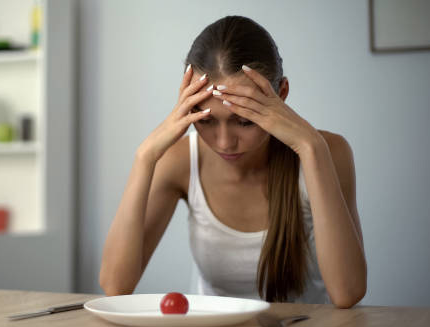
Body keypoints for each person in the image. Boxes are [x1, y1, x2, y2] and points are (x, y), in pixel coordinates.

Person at [99, 16, 367, 308]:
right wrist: (145, 156)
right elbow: (115, 285)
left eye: (244, 121)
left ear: (282, 94)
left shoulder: (327, 152)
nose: (224, 142)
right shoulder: (180, 162)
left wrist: (310, 146)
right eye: (207, 120)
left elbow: (347, 293)